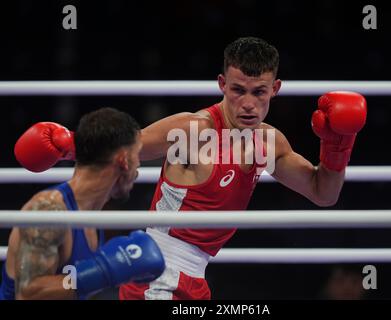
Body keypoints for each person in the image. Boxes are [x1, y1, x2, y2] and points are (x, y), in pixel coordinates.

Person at [14, 37, 367, 300]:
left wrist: (338, 146)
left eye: (258, 92)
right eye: (237, 90)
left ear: (275, 89)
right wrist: (67, 145)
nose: (247, 104)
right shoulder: (193, 129)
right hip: (157, 271)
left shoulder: (270, 142)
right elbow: (125, 145)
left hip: (195, 278)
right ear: (221, 85)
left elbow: (324, 194)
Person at [2, 107, 165, 300]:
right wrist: (102, 271)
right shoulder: (49, 210)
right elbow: (28, 293)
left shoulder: (90, 216)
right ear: (124, 160)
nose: (138, 167)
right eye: (137, 155)